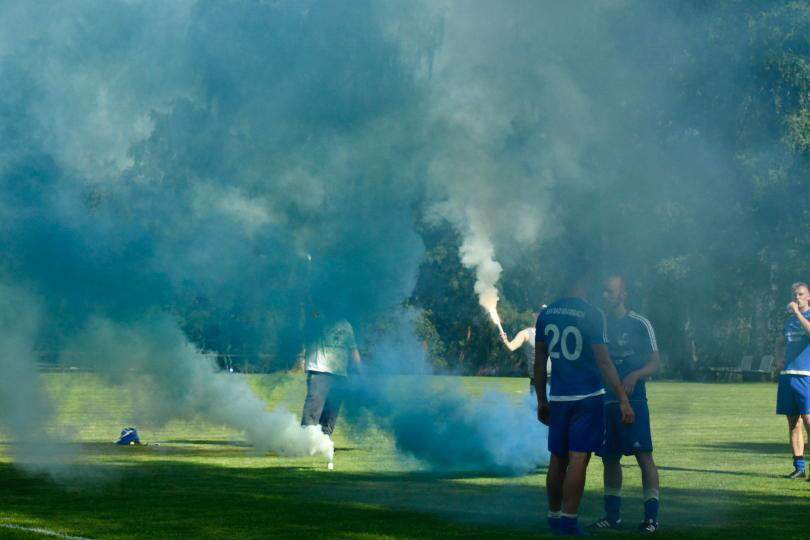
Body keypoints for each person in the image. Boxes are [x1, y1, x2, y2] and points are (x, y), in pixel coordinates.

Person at [534, 259, 634, 536]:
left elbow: (539, 363)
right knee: (579, 459)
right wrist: (623, 400)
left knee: (557, 458)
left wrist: (542, 399)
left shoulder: (547, 313)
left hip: (559, 397)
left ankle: (554, 516)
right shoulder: (592, 314)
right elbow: (604, 362)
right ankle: (568, 521)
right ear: (585, 280)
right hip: (587, 397)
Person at [592, 275, 661, 533]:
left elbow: (656, 363)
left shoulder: (640, 324)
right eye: (603, 291)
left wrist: (635, 374)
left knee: (644, 457)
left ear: (623, 295)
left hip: (634, 401)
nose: (604, 296)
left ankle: (651, 518)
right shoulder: (599, 324)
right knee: (609, 459)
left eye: (610, 292)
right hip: (606, 401)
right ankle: (612, 516)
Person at [300, 315, 361, 437]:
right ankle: (305, 439)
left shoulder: (346, 325)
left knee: (332, 410)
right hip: (319, 369)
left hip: (339, 373)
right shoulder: (318, 319)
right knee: (314, 407)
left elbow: (352, 349)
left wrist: (360, 370)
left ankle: (324, 438)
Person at [775, 282, 810, 480]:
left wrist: (798, 314)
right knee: (793, 423)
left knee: (809, 420)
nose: (796, 297)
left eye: (800, 294)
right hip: (788, 376)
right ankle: (799, 466)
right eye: (795, 294)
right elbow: (779, 343)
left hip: (806, 376)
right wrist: (778, 357)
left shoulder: (806, 316)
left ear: (808, 297)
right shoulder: (789, 322)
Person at [500, 306, 547, 393]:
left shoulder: (553, 333)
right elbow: (511, 347)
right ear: (534, 315)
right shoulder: (525, 333)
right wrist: (505, 341)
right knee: (538, 406)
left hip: (555, 380)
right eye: (541, 312)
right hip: (537, 380)